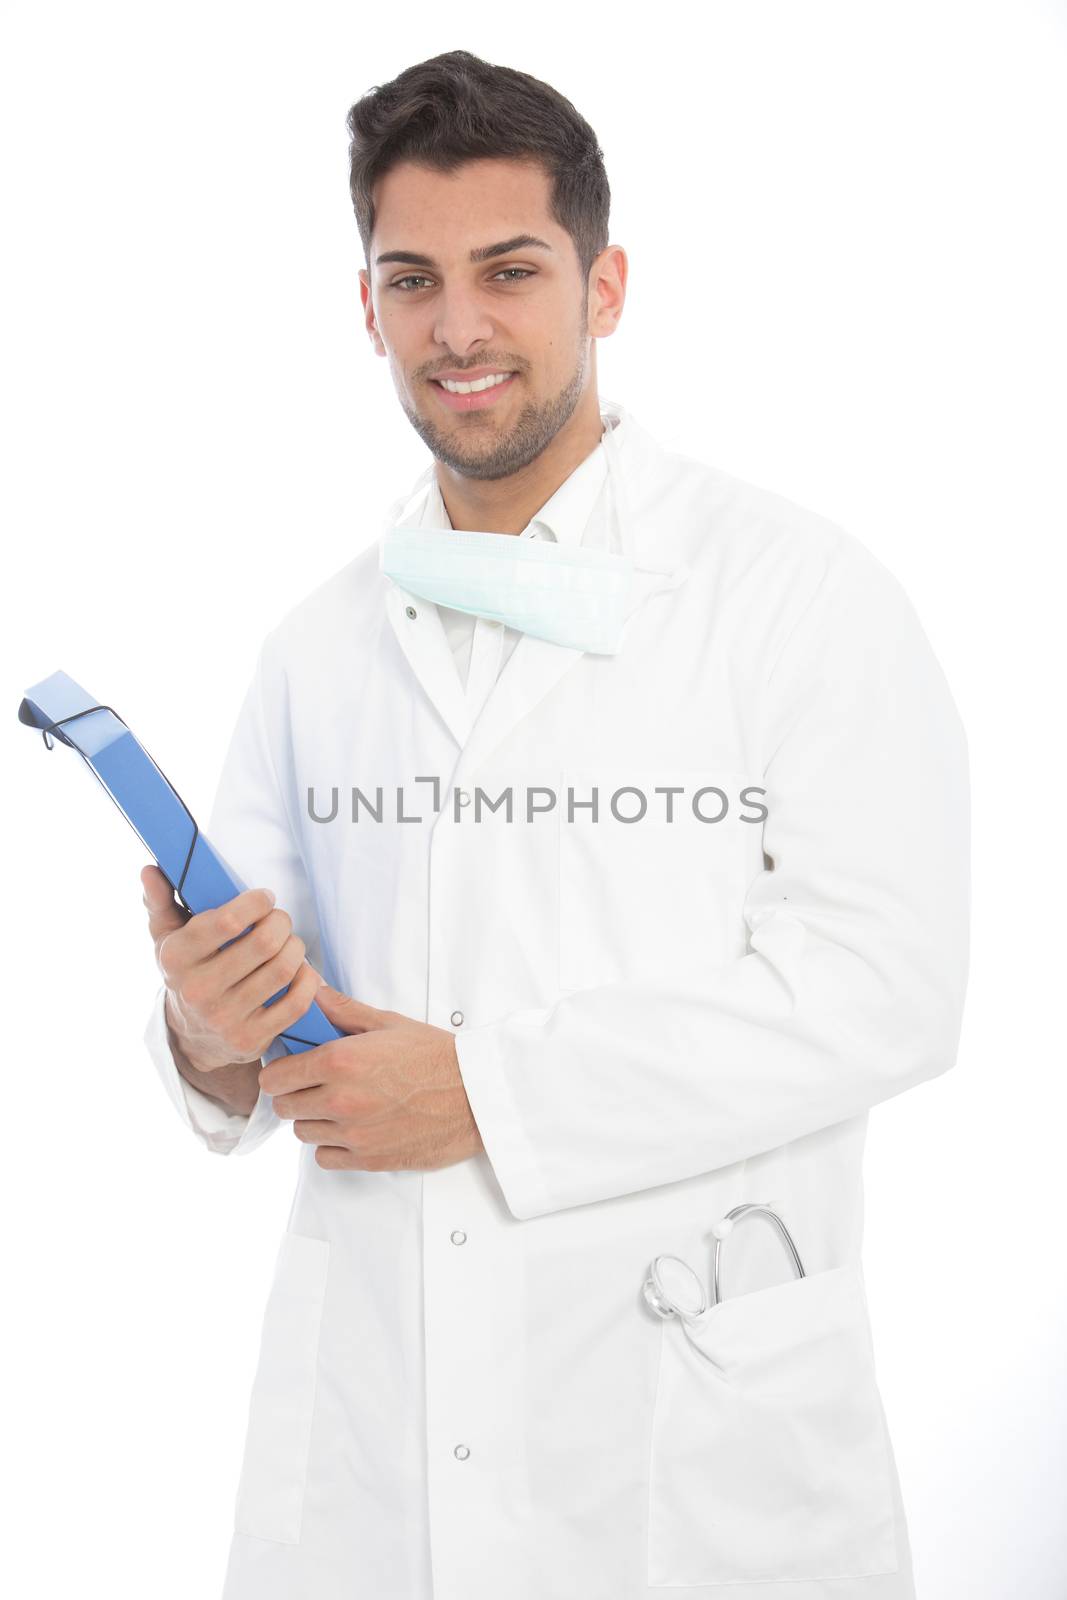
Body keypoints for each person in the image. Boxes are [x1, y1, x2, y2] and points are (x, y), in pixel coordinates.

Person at [140, 48, 969, 1600]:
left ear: (605, 288)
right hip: (379, 1452)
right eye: (412, 278)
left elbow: (888, 987)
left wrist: (488, 1096)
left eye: (509, 271)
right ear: (364, 307)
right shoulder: (319, 645)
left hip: (686, 1436)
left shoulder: (797, 597)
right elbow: (238, 1047)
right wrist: (206, 1025)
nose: (458, 328)